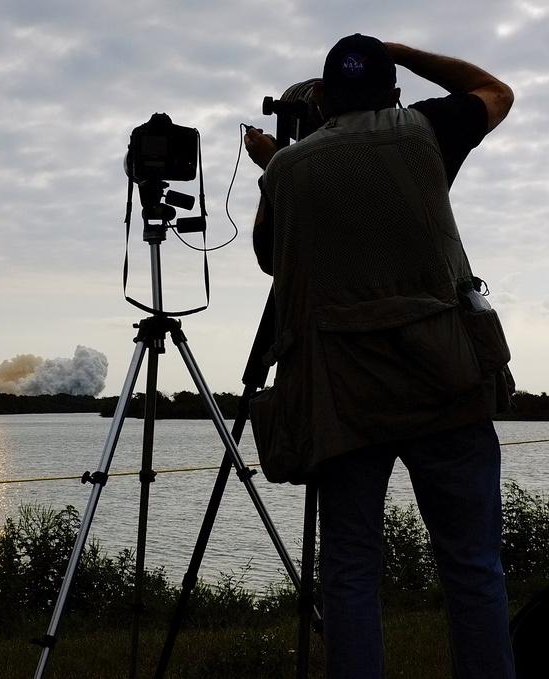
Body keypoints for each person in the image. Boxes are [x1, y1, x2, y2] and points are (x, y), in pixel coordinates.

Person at [244, 35, 515, 678]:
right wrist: (397, 50)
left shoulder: (288, 169)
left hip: (342, 397)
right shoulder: (424, 131)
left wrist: (275, 164)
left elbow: (270, 261)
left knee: (350, 571)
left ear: (322, 99)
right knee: (473, 565)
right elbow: (495, 91)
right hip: (446, 380)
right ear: (394, 92)